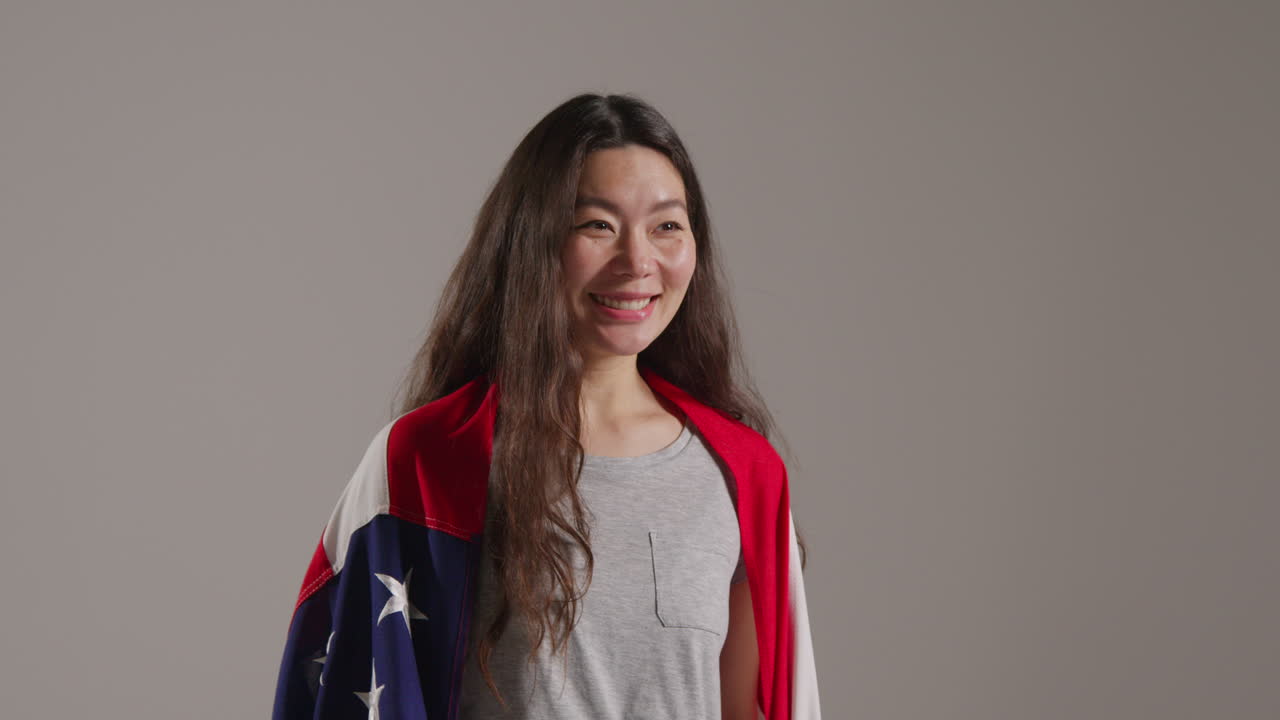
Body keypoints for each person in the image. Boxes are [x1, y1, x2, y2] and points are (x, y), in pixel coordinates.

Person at [272, 92, 821, 719]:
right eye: (597, 225)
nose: (638, 261)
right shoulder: (425, 462)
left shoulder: (744, 475)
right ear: (532, 243)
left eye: (667, 225)